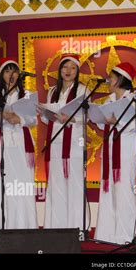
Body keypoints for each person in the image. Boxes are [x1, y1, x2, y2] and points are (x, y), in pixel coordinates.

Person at [94, 62, 136, 244]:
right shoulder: (108, 99)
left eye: (112, 77)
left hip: (125, 152)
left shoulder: (135, 98)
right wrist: (102, 118)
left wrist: (118, 121)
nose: (108, 80)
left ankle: (126, 235)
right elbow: (101, 123)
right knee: (108, 192)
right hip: (109, 152)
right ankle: (107, 234)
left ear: (120, 79)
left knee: (125, 192)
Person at [0, 58, 37, 233]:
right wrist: (1, 117)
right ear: (2, 75)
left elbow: (33, 120)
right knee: (5, 183)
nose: (11, 74)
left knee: (22, 184)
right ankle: (3, 225)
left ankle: (24, 225)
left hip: (22, 144)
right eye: (7, 71)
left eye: (14, 71)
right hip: (3, 144)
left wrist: (19, 119)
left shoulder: (28, 95)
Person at [41, 54, 88, 229]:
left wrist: (71, 118)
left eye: (72, 68)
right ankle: (56, 224)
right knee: (57, 181)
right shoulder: (52, 91)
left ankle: (77, 225)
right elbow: (46, 120)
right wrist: (46, 114)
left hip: (74, 142)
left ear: (77, 71)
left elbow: (88, 116)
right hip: (55, 141)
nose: (68, 71)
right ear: (60, 70)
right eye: (65, 67)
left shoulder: (83, 90)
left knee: (74, 181)